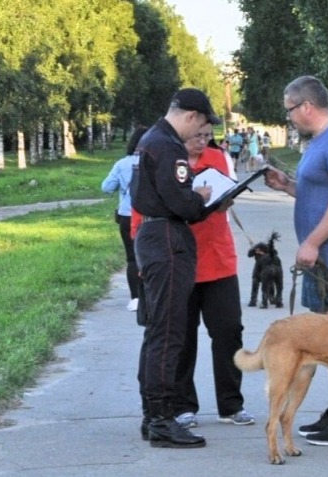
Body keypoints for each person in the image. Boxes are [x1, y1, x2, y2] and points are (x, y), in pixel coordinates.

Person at [264, 75, 328, 446]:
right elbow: (322, 192)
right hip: (322, 256)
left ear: (306, 106)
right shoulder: (322, 141)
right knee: (326, 339)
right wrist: (288, 186)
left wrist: (311, 242)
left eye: (290, 109)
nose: (289, 117)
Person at [131, 88, 217, 449]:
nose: (200, 132)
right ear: (192, 116)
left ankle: (153, 415)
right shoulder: (168, 146)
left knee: (157, 331)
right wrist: (201, 198)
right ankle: (163, 418)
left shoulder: (151, 138)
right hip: (167, 237)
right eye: (201, 124)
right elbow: (181, 202)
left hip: (154, 234)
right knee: (169, 332)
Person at [172, 123, 255, 430]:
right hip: (180, 259)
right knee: (182, 335)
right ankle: (182, 406)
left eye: (208, 136)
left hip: (219, 258)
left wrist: (225, 198)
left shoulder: (217, 157)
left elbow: (227, 195)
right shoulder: (167, 159)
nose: (203, 142)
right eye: (197, 136)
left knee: (229, 330)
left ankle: (231, 404)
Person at [101, 126, 148, 312]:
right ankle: (151, 295)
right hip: (150, 216)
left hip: (127, 216)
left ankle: (135, 298)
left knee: (132, 258)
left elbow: (106, 187)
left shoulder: (122, 164)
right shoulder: (155, 161)